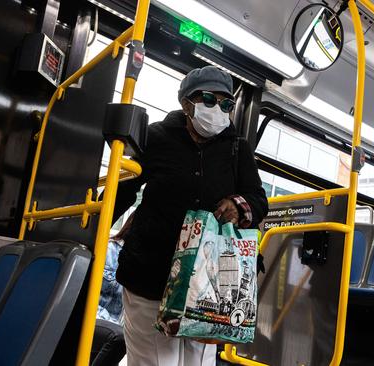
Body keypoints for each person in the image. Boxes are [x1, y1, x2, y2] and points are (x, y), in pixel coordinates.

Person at [110, 65, 268, 366]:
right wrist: (89, 225)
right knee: (155, 361)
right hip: (152, 272)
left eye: (226, 104)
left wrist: (238, 205)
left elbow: (258, 200)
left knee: (198, 362)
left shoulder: (237, 149)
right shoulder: (155, 137)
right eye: (209, 99)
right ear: (186, 103)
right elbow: (123, 189)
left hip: (210, 284)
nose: (218, 109)